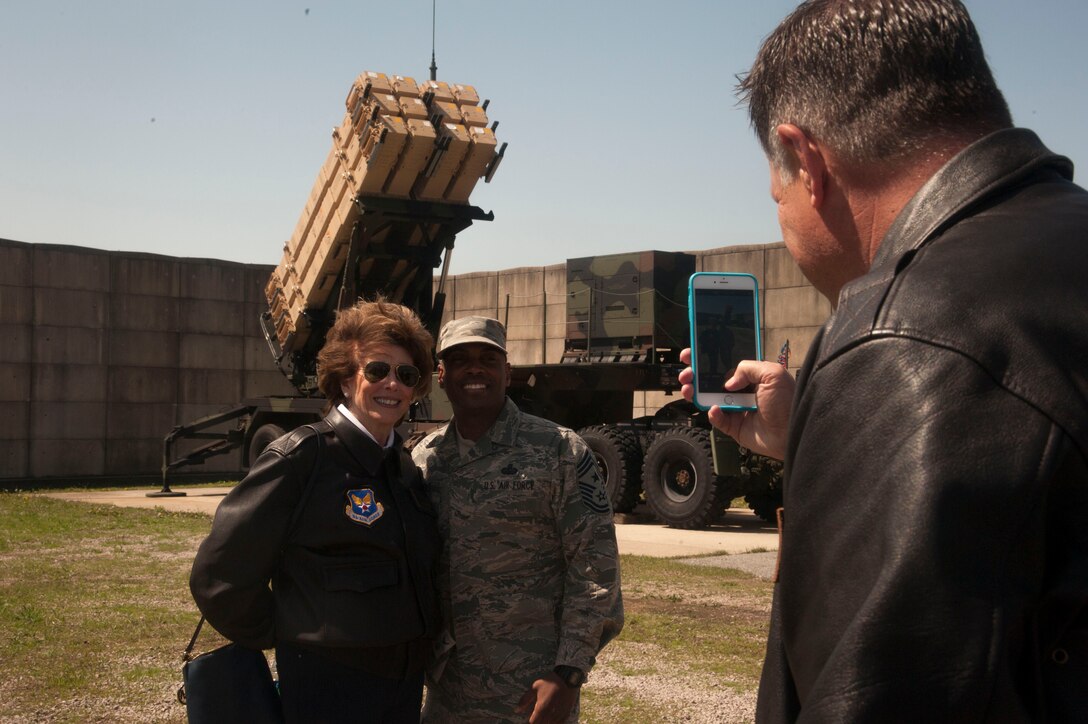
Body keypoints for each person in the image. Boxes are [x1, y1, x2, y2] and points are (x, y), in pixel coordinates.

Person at [680, 0, 1088, 720]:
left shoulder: (901, 335)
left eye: (779, 197)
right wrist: (811, 440)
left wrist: (867, 400)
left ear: (807, 160)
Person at [190, 298, 441, 723]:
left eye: (406, 375)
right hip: (330, 685)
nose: (392, 385)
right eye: (377, 370)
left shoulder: (403, 469)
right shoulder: (301, 460)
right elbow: (219, 576)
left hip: (401, 684)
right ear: (345, 380)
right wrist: (286, 631)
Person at [411, 316, 623, 723]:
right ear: (441, 375)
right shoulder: (425, 460)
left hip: (530, 692)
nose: (475, 369)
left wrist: (569, 672)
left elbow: (595, 566)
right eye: (459, 360)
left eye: (488, 359)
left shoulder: (560, 450)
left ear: (508, 373)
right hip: (447, 691)